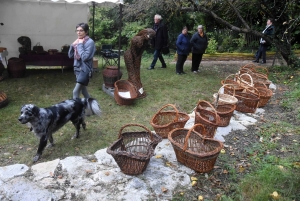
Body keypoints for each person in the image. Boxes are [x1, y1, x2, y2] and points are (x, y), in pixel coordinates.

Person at [68, 22, 96, 99]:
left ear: (86, 32)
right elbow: (70, 55)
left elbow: (84, 57)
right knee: (83, 91)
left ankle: (76, 110)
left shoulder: (90, 42)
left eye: (81, 30)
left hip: (85, 70)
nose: (78, 32)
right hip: (77, 69)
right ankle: (93, 106)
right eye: (77, 30)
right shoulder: (78, 41)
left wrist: (80, 45)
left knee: (75, 91)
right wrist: (72, 45)